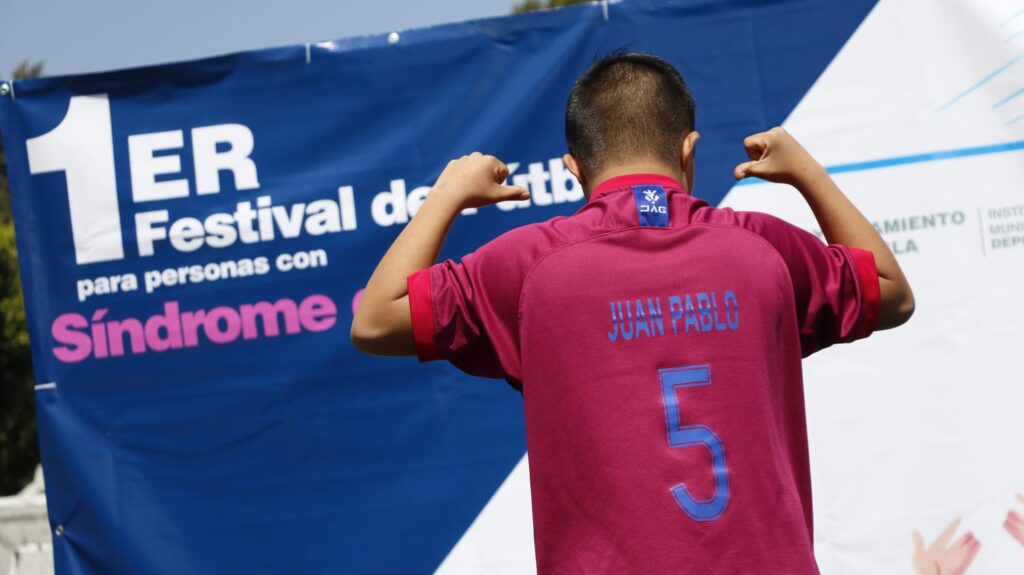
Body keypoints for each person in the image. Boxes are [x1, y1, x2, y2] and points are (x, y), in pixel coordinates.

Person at [351, 52, 914, 574]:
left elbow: (374, 322)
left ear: (574, 168)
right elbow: (892, 293)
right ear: (688, 149)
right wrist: (808, 174)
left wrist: (446, 194)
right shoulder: (763, 246)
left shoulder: (530, 266)